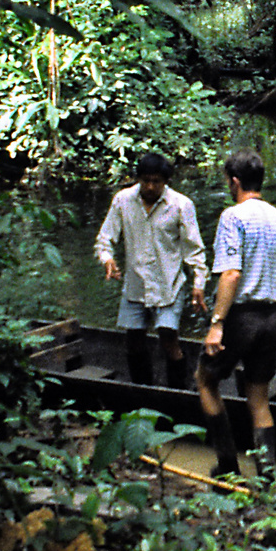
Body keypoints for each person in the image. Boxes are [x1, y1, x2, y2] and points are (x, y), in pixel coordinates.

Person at [197, 148, 276, 480]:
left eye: (229, 181)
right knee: (259, 397)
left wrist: (217, 324)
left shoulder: (233, 217)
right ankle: (268, 477)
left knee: (205, 379)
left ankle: (227, 465)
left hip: (243, 317)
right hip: (272, 317)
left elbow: (231, 274)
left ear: (235, 181)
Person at [95, 153, 208, 389]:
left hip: (169, 285)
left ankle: (178, 391)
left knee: (169, 340)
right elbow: (105, 239)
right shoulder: (123, 200)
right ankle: (141, 392)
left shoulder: (181, 205)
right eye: (145, 180)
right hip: (135, 284)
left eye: (156, 181)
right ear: (138, 178)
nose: (149, 186)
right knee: (133, 341)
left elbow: (194, 249)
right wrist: (107, 259)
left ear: (165, 181)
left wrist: (199, 284)